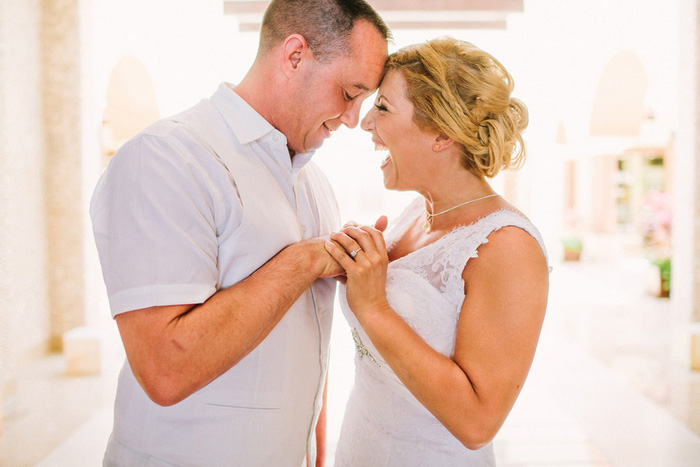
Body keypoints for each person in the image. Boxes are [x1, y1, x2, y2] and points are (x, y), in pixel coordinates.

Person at [89, 1, 389, 465]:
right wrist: (303, 261)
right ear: (294, 56)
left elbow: (312, 351)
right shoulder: (166, 158)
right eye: (350, 93)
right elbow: (165, 370)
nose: (353, 118)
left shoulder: (316, 186)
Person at [324, 37, 550, 465]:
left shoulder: (508, 246)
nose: (365, 122)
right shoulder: (413, 212)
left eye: (384, 108)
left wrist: (373, 307)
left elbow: (477, 423)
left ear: (442, 133)